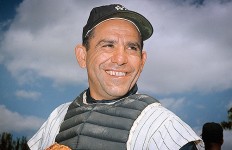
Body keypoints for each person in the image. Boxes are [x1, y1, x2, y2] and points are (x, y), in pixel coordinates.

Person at [28, 4, 203, 150]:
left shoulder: (160, 125)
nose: (120, 59)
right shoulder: (58, 117)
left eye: (132, 48)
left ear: (142, 62)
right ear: (82, 56)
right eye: (108, 45)